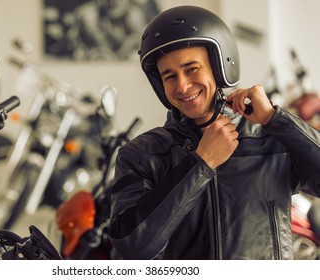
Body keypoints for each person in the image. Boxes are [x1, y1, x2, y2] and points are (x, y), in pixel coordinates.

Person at [107, 5, 320, 259]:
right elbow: (133, 248)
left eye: (191, 69)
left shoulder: (269, 140)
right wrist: (201, 163)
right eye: (169, 76)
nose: (183, 86)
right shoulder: (141, 154)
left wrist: (275, 119)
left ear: (220, 67)